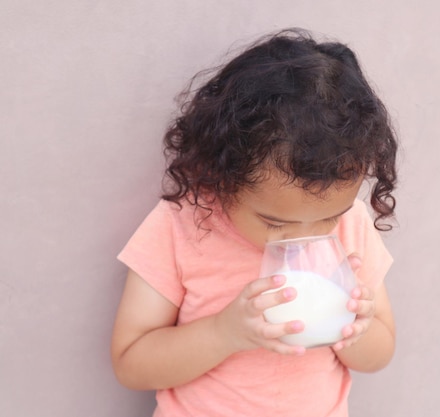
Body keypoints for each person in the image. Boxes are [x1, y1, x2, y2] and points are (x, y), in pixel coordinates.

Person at [111, 28, 399, 417]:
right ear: (223, 178)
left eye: (329, 217)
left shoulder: (351, 226)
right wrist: (224, 333)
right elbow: (131, 363)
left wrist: (352, 329)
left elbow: (379, 354)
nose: (304, 236)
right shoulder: (179, 227)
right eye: (274, 222)